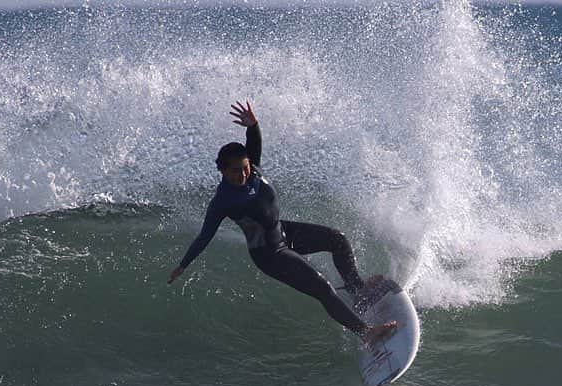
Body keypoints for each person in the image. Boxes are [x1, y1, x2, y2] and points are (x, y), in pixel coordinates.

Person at [168, 101, 396, 346]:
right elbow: (205, 236)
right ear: (222, 171)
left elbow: (254, 143)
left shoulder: (252, 169)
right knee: (321, 286)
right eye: (234, 171)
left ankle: (357, 290)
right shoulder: (223, 202)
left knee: (337, 240)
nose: (242, 174)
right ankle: (366, 333)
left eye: (244, 168)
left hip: (282, 232)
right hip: (269, 254)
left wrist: (253, 124)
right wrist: (183, 264)